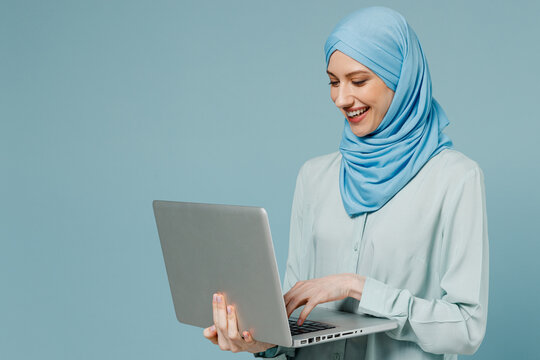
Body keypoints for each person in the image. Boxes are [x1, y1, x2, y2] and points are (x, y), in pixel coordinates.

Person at [203, 6, 489, 360]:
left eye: (358, 81)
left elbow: (466, 328)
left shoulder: (454, 179)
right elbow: (293, 309)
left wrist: (357, 287)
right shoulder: (313, 177)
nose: (341, 99)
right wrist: (262, 340)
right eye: (333, 82)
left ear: (401, 79)